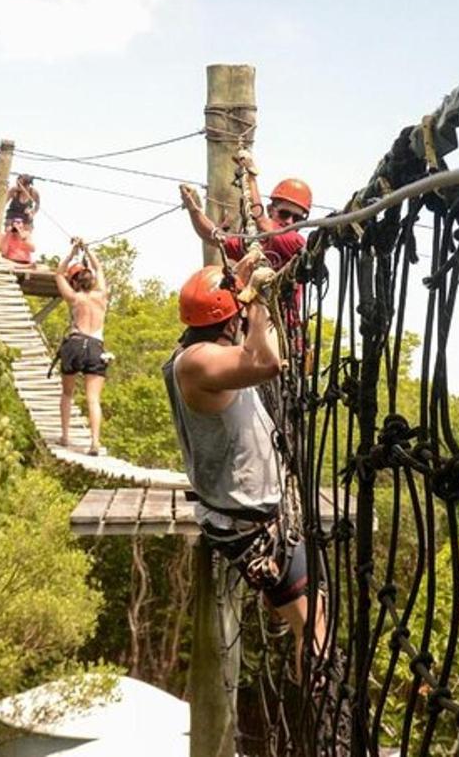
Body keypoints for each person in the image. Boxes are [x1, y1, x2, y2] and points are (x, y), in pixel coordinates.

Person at [163, 262, 324, 674]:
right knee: (315, 624)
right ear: (230, 319)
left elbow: (259, 352)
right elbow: (268, 363)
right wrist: (255, 300)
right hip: (248, 525)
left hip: (250, 515)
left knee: (312, 615)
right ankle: (322, 724)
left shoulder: (196, 353)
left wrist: (240, 280)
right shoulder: (199, 362)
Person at [178, 150, 309, 271]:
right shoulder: (253, 243)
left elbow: (261, 221)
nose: (290, 222)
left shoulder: (298, 244)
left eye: (297, 219)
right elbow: (212, 236)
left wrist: (251, 177)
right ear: (270, 210)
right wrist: (194, 210)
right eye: (284, 214)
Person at [54, 238, 109, 455]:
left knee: (67, 393)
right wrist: (87, 250)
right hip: (95, 346)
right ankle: (94, 442)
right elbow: (99, 267)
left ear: (76, 282)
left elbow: (58, 274)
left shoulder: (74, 298)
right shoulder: (102, 296)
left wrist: (71, 253)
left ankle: (65, 436)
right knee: (93, 398)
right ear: (91, 282)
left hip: (75, 344)